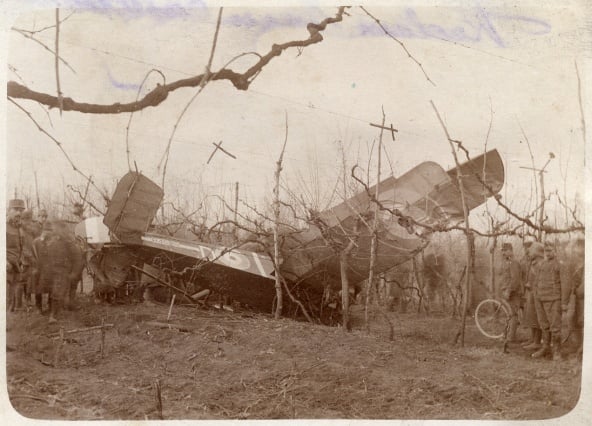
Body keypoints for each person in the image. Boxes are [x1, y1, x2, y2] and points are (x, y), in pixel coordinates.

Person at [38, 220, 84, 323]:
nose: (53, 230)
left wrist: (74, 273)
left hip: (62, 270)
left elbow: (77, 258)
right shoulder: (49, 240)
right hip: (49, 270)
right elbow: (44, 254)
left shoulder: (68, 242)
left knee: (57, 292)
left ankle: (53, 315)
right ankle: (51, 310)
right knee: (51, 291)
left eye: (55, 228)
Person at [532, 241, 563, 360]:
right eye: (546, 251)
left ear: (555, 251)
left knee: (555, 326)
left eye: (550, 250)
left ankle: (557, 351)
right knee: (543, 324)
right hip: (540, 298)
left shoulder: (559, 264)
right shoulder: (542, 265)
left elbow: (565, 284)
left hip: (554, 299)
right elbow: (536, 281)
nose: (548, 253)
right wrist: (536, 295)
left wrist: (563, 302)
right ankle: (546, 347)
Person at [521, 241, 542, 350]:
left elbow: (540, 280)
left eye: (531, 250)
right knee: (531, 317)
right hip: (531, 293)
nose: (529, 252)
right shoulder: (533, 262)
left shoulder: (539, 263)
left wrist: (531, 284)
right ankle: (533, 339)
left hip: (536, 293)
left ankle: (537, 341)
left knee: (537, 318)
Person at [499, 242, 522, 342]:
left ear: (510, 251)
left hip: (513, 293)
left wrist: (508, 291)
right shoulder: (507, 262)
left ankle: (511, 337)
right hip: (507, 291)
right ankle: (507, 335)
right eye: (502, 251)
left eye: (505, 251)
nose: (503, 253)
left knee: (512, 314)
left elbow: (515, 280)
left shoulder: (514, 262)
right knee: (509, 314)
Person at [6, 199, 25, 312]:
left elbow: (21, 247)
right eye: (16, 209)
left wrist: (21, 260)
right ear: (9, 210)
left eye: (21, 210)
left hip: (16, 265)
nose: (19, 213)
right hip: (6, 265)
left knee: (14, 290)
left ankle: (11, 311)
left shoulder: (20, 229)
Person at [31, 221, 54, 313]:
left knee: (52, 287)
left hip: (50, 268)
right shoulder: (36, 242)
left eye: (50, 231)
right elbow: (32, 255)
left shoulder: (53, 242)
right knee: (38, 287)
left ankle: (50, 305)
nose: (48, 233)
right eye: (46, 230)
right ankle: (38, 307)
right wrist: (35, 266)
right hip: (39, 268)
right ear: (42, 231)